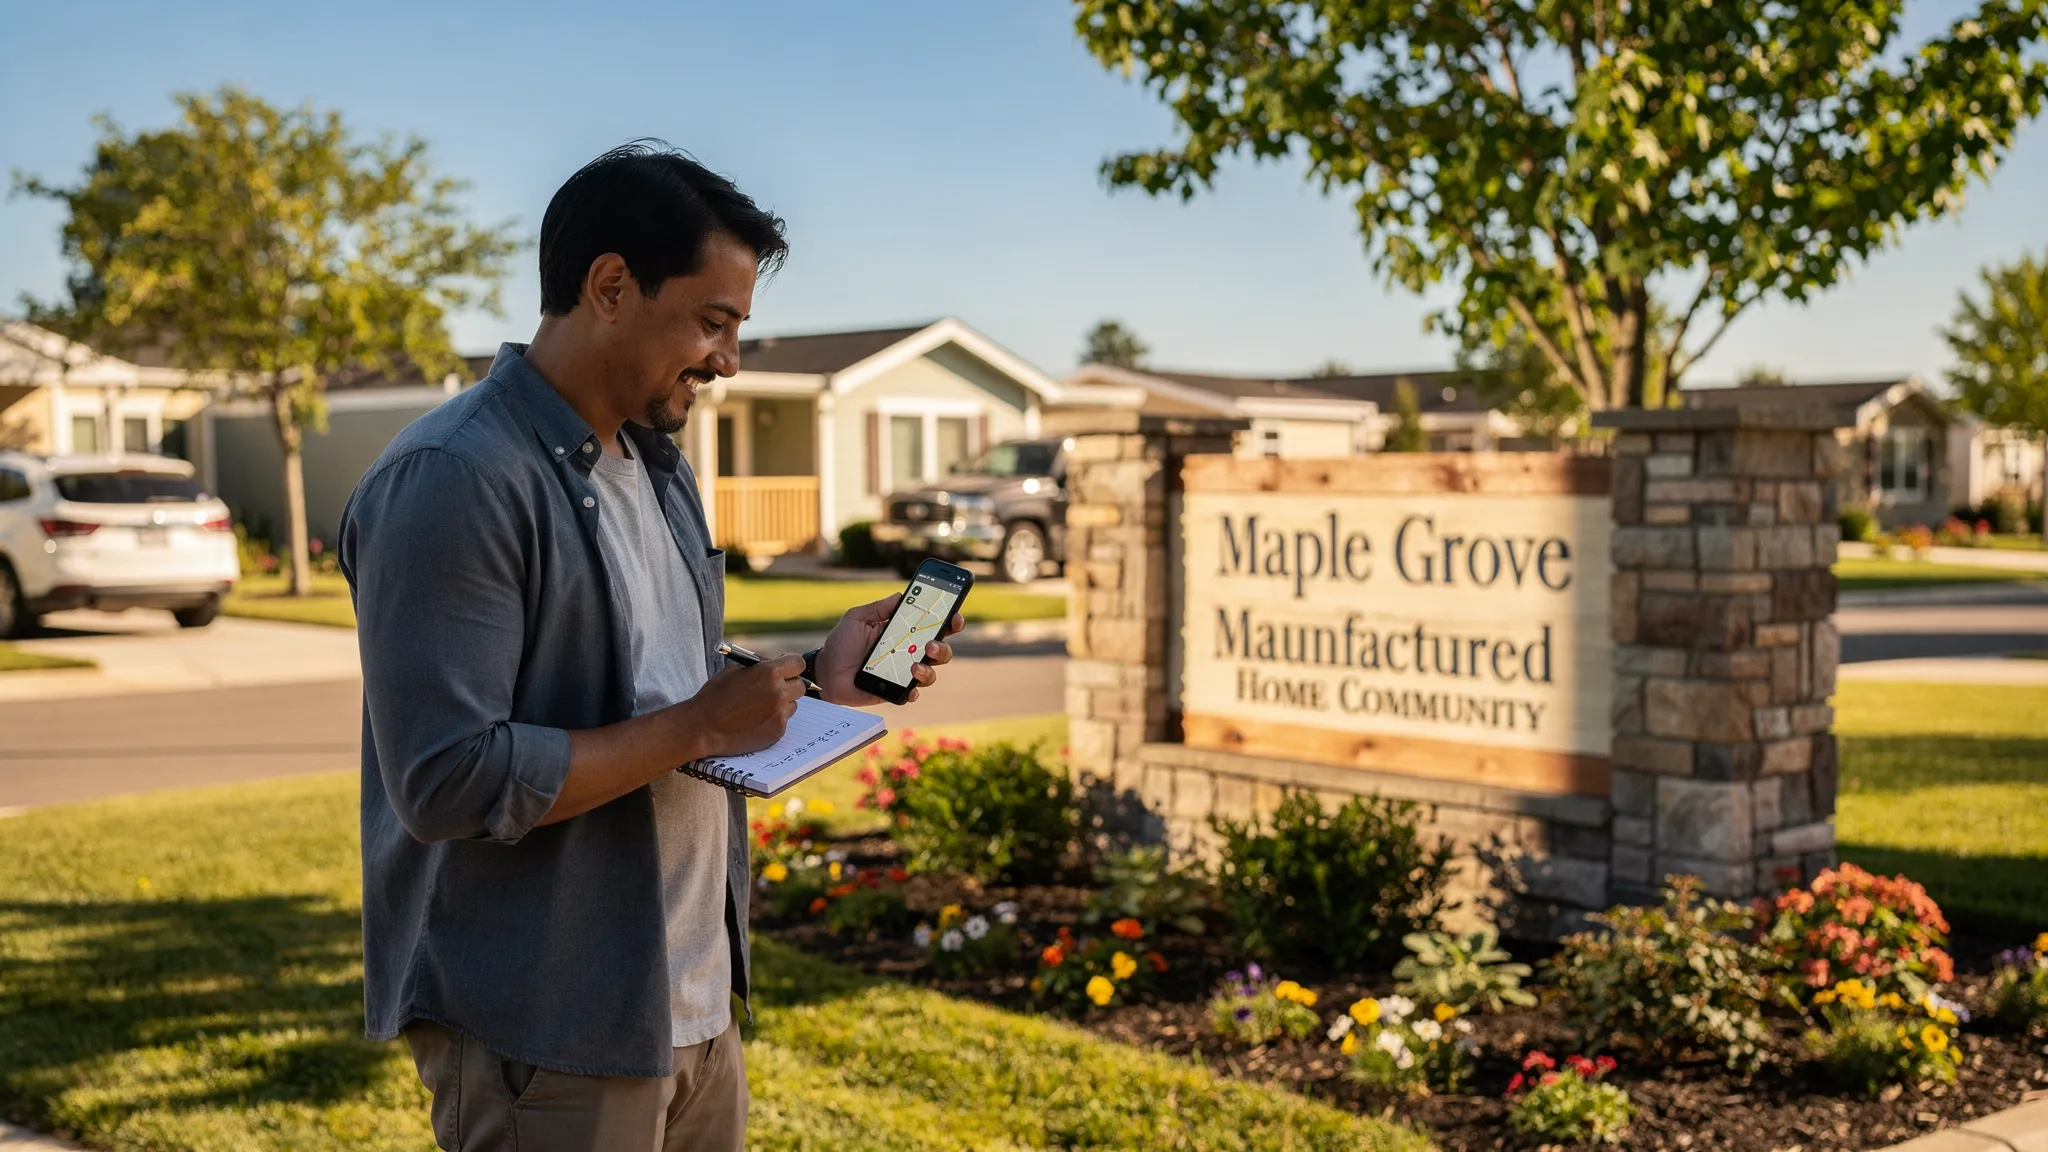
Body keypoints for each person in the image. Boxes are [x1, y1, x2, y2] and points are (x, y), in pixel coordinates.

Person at [339, 142, 960, 1152]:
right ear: (611, 286)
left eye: (736, 328)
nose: (728, 359)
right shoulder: (456, 478)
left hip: (691, 999)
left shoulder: (658, 466)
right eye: (712, 322)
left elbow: (655, 690)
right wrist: (693, 726)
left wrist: (815, 676)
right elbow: (449, 779)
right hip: (546, 1025)